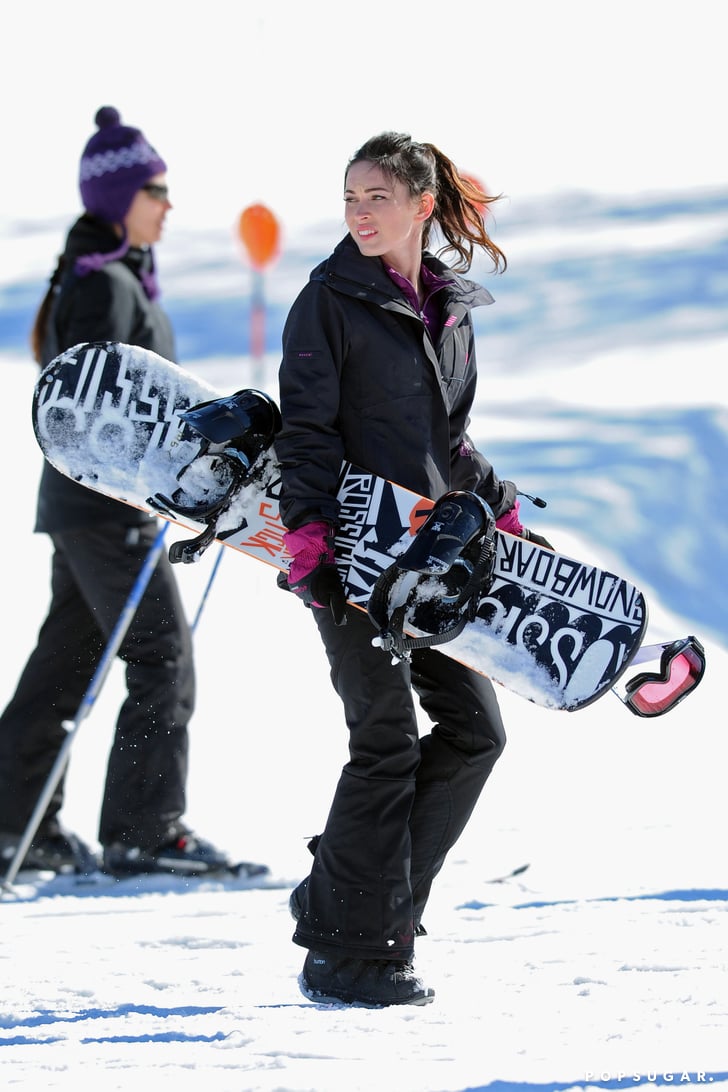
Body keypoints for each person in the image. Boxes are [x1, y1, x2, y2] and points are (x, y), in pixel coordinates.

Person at [277, 132, 552, 1007]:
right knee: (385, 736)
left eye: (376, 198)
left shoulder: (448, 306)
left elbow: (446, 438)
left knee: (476, 731)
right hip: (353, 550)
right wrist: (309, 537)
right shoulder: (326, 302)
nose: (359, 214)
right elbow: (307, 430)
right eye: (350, 198)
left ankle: (359, 905)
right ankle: (350, 951)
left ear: (421, 206)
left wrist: (498, 507)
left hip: (430, 553)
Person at [0, 106, 262, 880]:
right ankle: (145, 831)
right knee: (162, 657)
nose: (168, 205)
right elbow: (92, 407)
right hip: (108, 509)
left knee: (67, 660)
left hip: (87, 509)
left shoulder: (99, 277)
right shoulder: (107, 285)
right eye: (156, 189)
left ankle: (16, 825)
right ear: (121, 198)